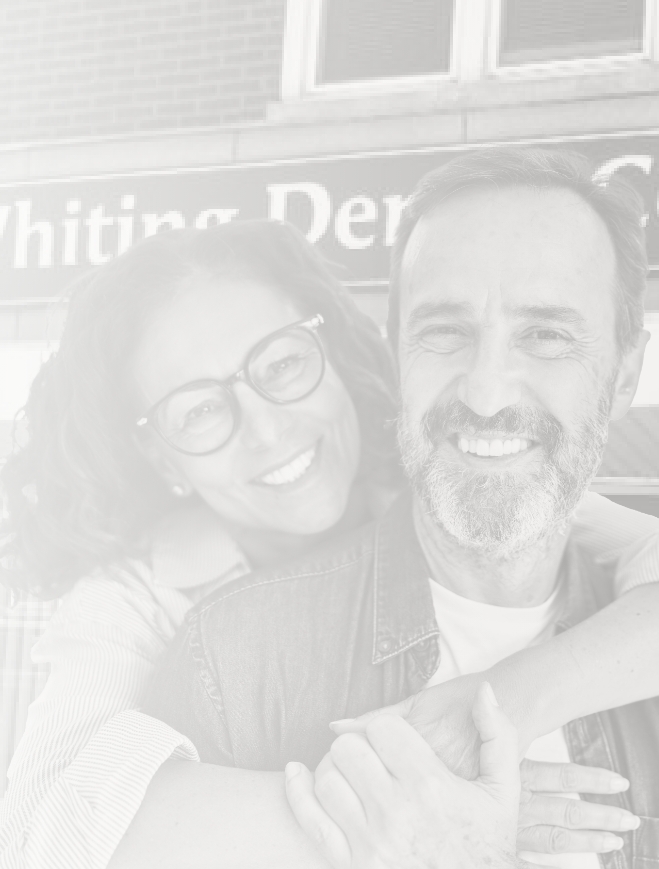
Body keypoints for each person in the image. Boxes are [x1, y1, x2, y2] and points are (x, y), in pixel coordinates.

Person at [0, 212, 657, 869]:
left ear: (332, 350)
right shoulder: (142, 601)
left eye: (282, 363)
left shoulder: (449, 475)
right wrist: (399, 813)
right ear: (163, 457)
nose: (267, 430)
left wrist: (503, 699)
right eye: (199, 409)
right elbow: (42, 825)